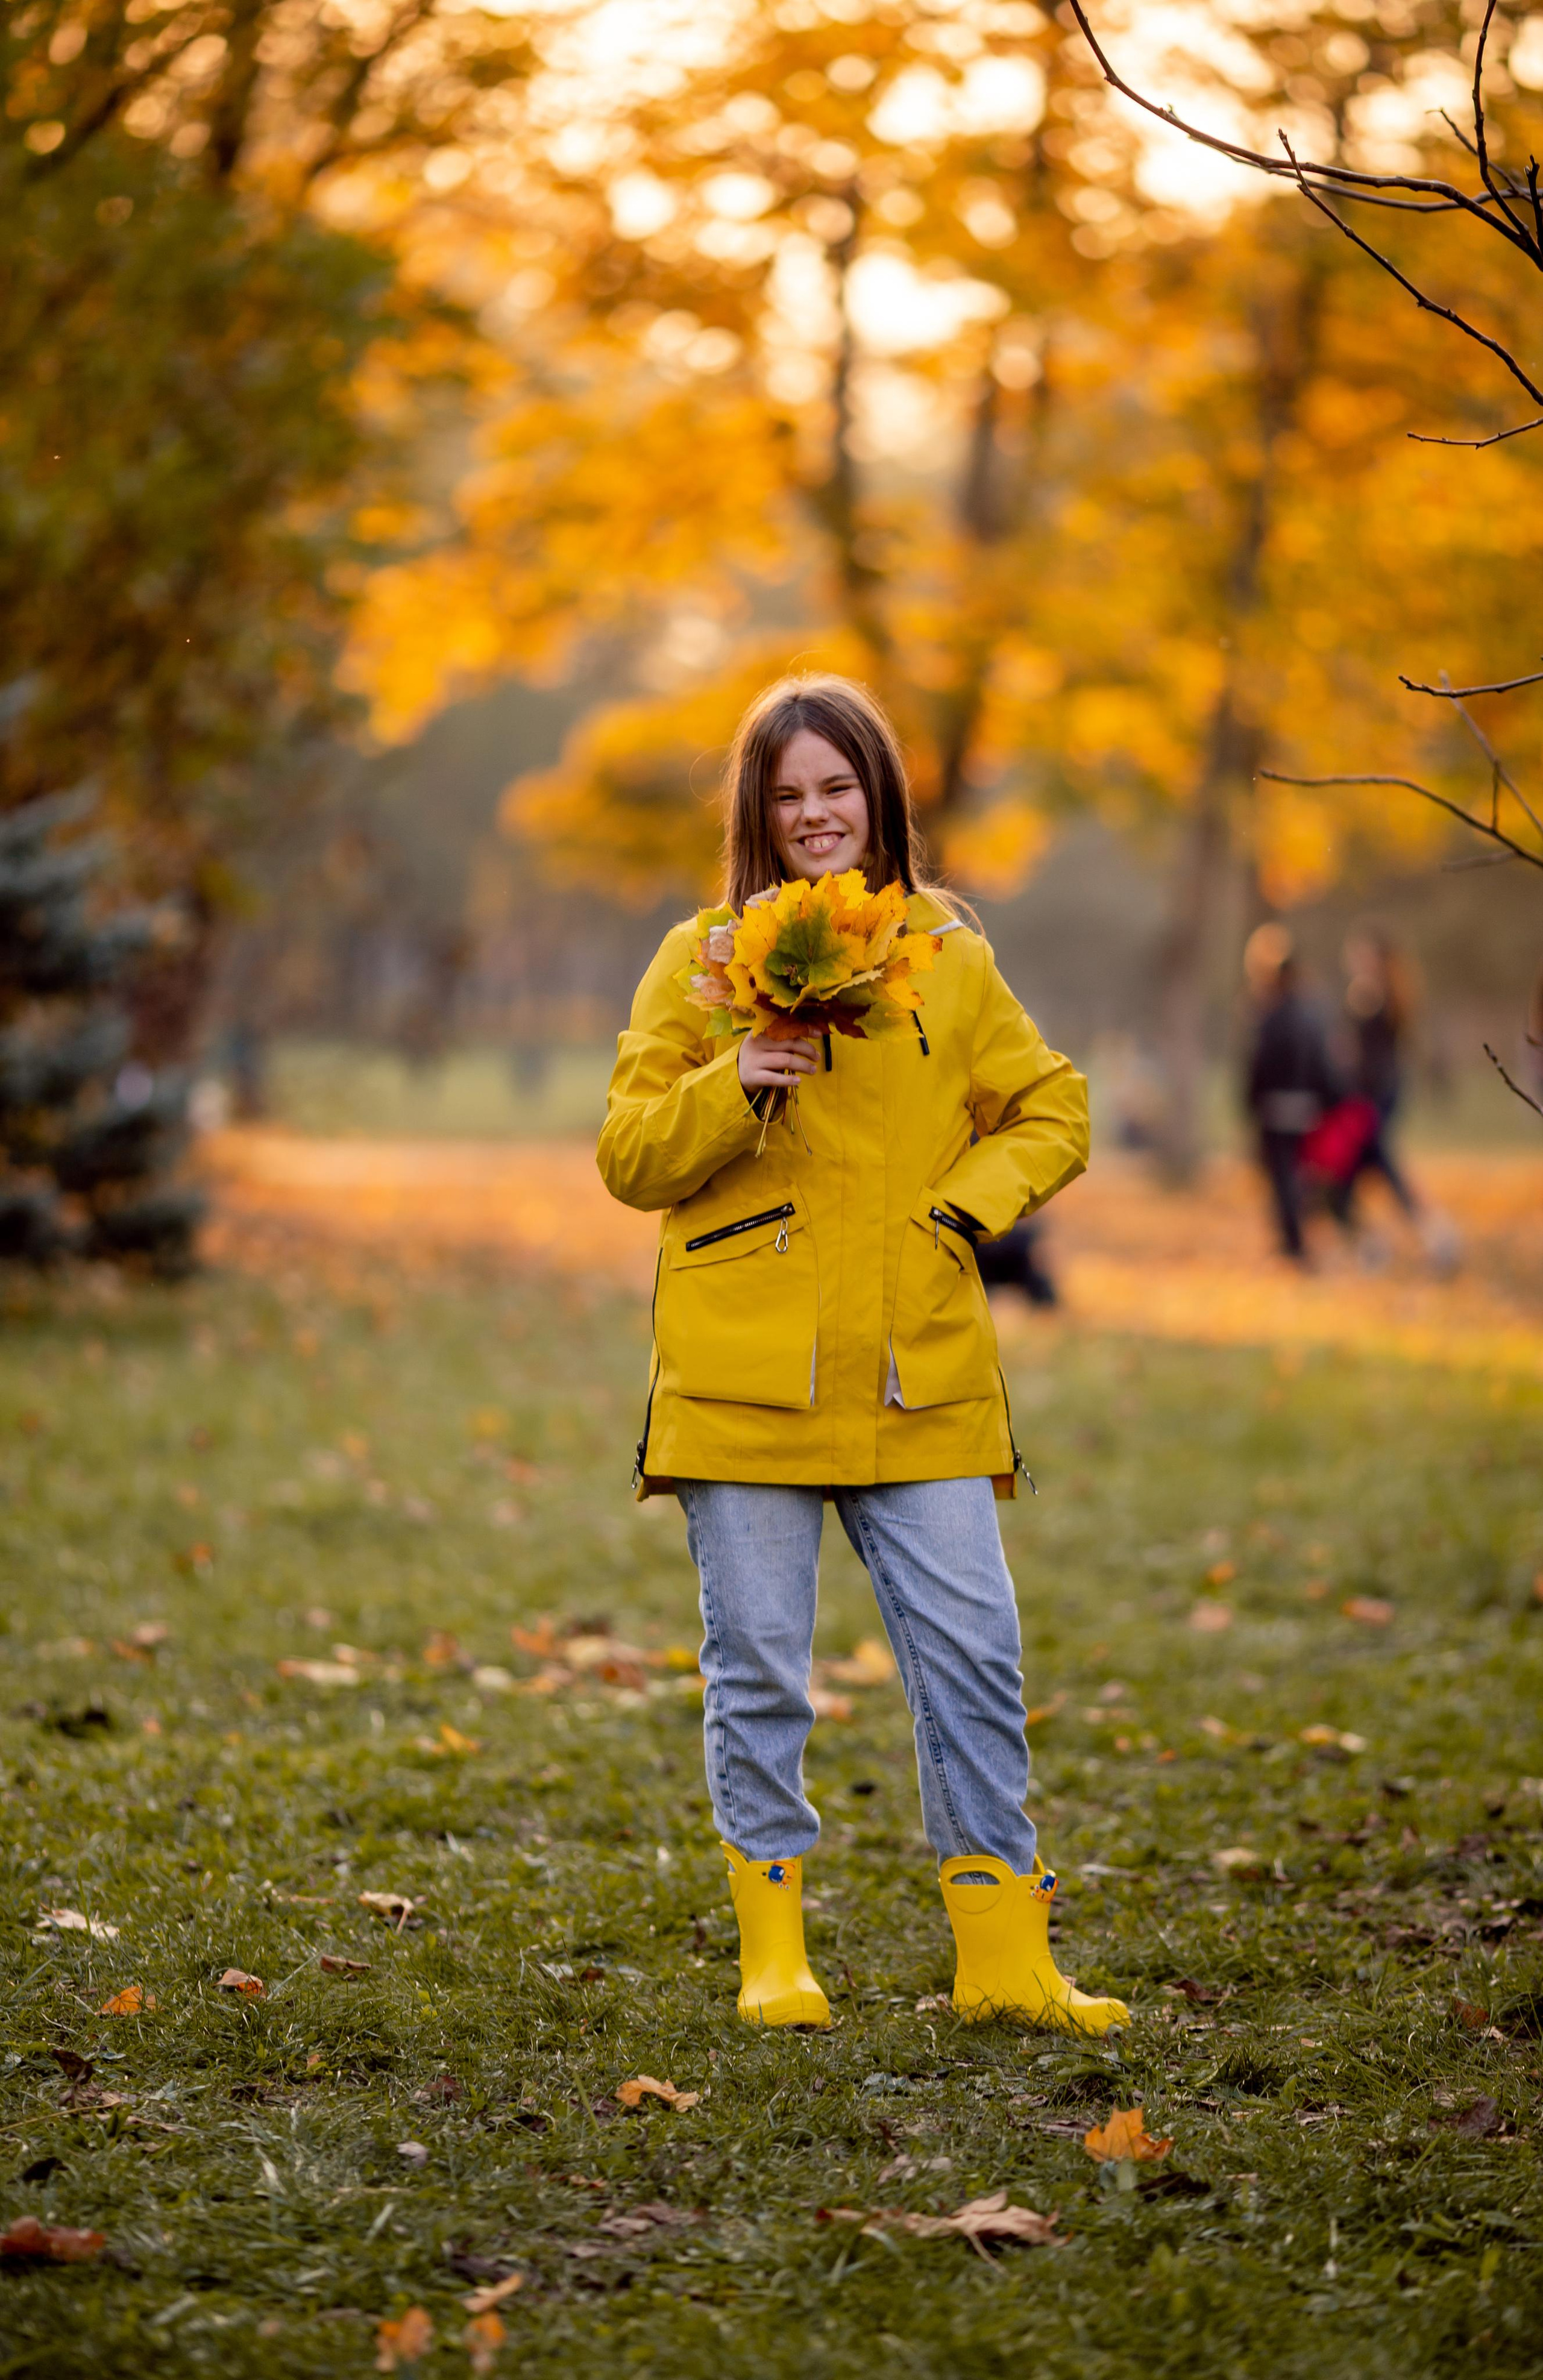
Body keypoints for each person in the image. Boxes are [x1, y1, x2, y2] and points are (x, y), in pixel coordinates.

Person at [597, 673, 1127, 2038]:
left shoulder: (947, 954)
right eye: (787, 797)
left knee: (973, 1656)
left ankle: (1001, 1948)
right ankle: (773, 1947)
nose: (814, 814)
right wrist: (737, 1079)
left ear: (877, 797)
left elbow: (1050, 1106)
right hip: (743, 1379)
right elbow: (627, 1157)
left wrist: (961, 1211)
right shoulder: (700, 959)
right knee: (761, 1664)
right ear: (756, 819)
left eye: (836, 788)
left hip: (917, 1370)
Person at [1242, 925, 1339, 1264]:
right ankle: (1295, 1239)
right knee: (1296, 1175)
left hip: (1277, 1106)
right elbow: (1321, 1061)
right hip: (1305, 1104)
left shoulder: (1270, 1014)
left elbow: (1259, 1064)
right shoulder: (1309, 1011)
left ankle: (1293, 1242)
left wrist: (1250, 1101)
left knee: (1282, 1177)